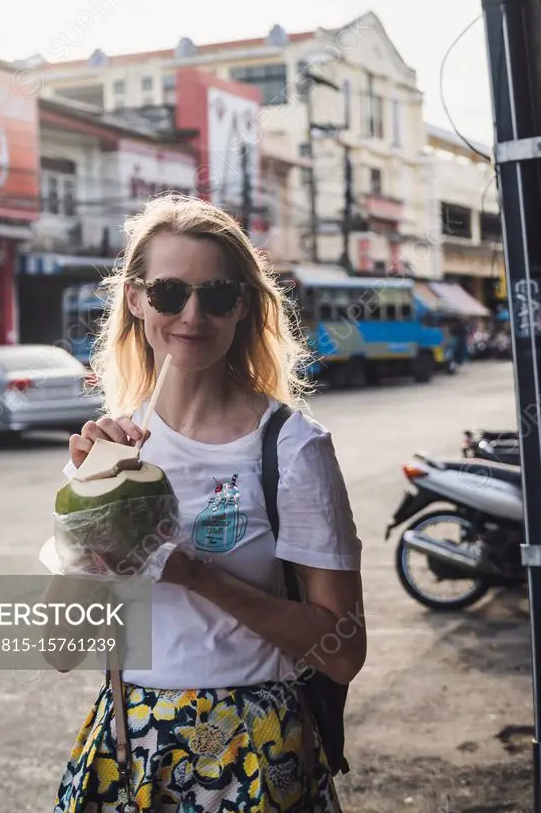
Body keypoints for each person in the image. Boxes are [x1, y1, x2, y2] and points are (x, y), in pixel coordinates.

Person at [52, 194, 365, 813]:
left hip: (254, 748)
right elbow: (61, 647)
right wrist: (91, 511)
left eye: (217, 294)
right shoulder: (109, 452)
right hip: (130, 744)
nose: (192, 315)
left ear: (243, 306)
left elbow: (343, 652)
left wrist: (192, 574)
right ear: (136, 299)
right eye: (169, 293)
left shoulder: (292, 449)